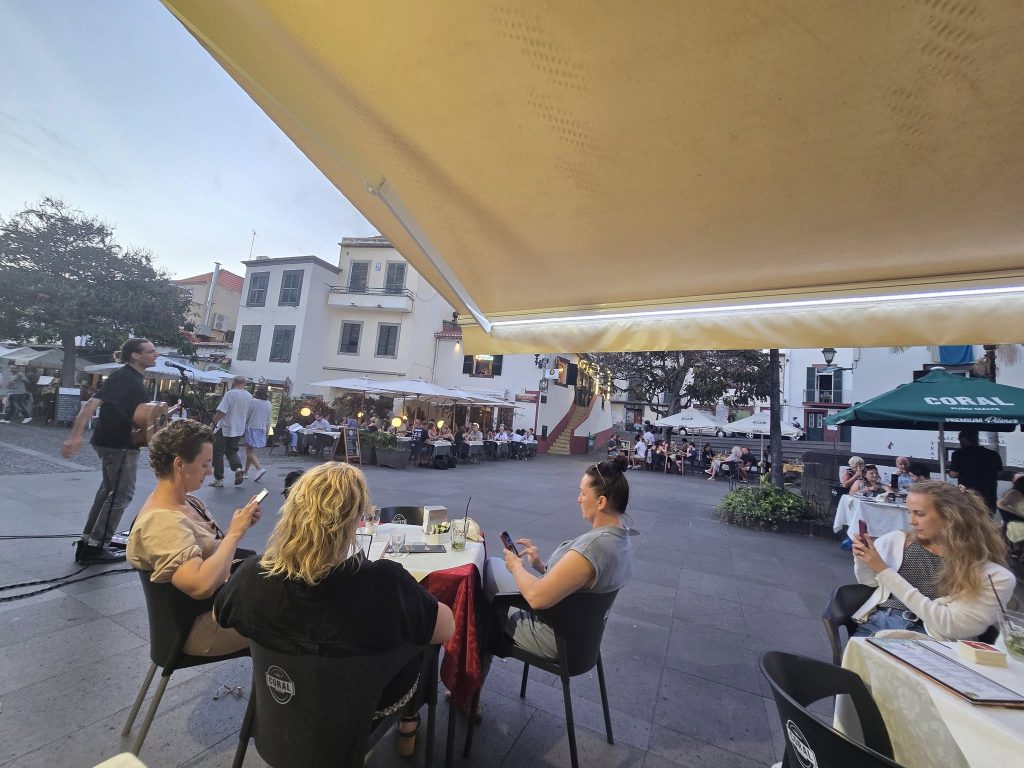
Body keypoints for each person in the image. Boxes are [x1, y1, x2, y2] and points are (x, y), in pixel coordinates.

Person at [213, 462, 455, 756]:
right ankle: (409, 722)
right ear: (354, 522)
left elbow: (220, 615)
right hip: (362, 710)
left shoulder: (253, 576)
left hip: (280, 710)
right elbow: (447, 628)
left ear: (290, 513)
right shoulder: (385, 583)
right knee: (420, 639)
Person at [126, 420, 262, 655]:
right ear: (180, 464)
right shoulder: (161, 522)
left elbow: (213, 555)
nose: (210, 471)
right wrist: (235, 534)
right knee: (296, 618)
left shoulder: (189, 502)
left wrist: (237, 528)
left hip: (218, 608)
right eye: (205, 464)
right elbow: (200, 586)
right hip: (199, 628)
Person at [496, 455, 632, 661]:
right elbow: (581, 584)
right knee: (492, 572)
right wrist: (541, 567)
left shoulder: (594, 547)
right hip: (584, 639)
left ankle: (464, 686)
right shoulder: (620, 539)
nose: (578, 499)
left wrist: (516, 567)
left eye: (583, 493)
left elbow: (536, 597)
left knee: (482, 599)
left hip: (556, 637)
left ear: (601, 501)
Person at [850, 480, 1014, 640]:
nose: (911, 521)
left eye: (919, 514)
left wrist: (883, 570)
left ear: (951, 517)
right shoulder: (898, 541)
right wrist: (863, 559)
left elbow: (951, 626)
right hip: (884, 622)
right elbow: (869, 582)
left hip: (936, 639)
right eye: (909, 512)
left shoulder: (985, 571)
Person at [62, 338, 158, 564]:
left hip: (117, 442)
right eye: (151, 351)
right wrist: (74, 436)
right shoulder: (124, 376)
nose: (156, 355)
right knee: (122, 494)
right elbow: (90, 405)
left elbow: (135, 414)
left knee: (108, 492)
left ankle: (88, 543)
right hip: (118, 444)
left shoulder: (132, 377)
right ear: (135, 355)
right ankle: (96, 547)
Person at [210, 376, 252, 488]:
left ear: (234, 383)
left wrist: (212, 424)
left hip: (226, 427)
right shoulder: (249, 396)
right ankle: (238, 468)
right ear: (245, 383)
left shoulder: (230, 394)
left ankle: (219, 479)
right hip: (239, 428)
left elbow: (222, 412)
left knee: (218, 451)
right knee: (232, 450)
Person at [948, 429, 1003, 513]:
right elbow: (999, 474)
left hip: (967, 497)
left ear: (963, 439)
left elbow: (954, 474)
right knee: (987, 522)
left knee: (968, 522)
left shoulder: (959, 454)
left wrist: (949, 472)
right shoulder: (993, 454)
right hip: (989, 496)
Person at [243, 386, 272, 482]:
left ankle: (259, 468)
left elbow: (247, 415)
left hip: (251, 427)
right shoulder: (269, 404)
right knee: (251, 451)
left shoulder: (253, 401)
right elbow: (268, 420)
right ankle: (245, 472)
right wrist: (267, 432)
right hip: (262, 428)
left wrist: (243, 424)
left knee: (249, 451)